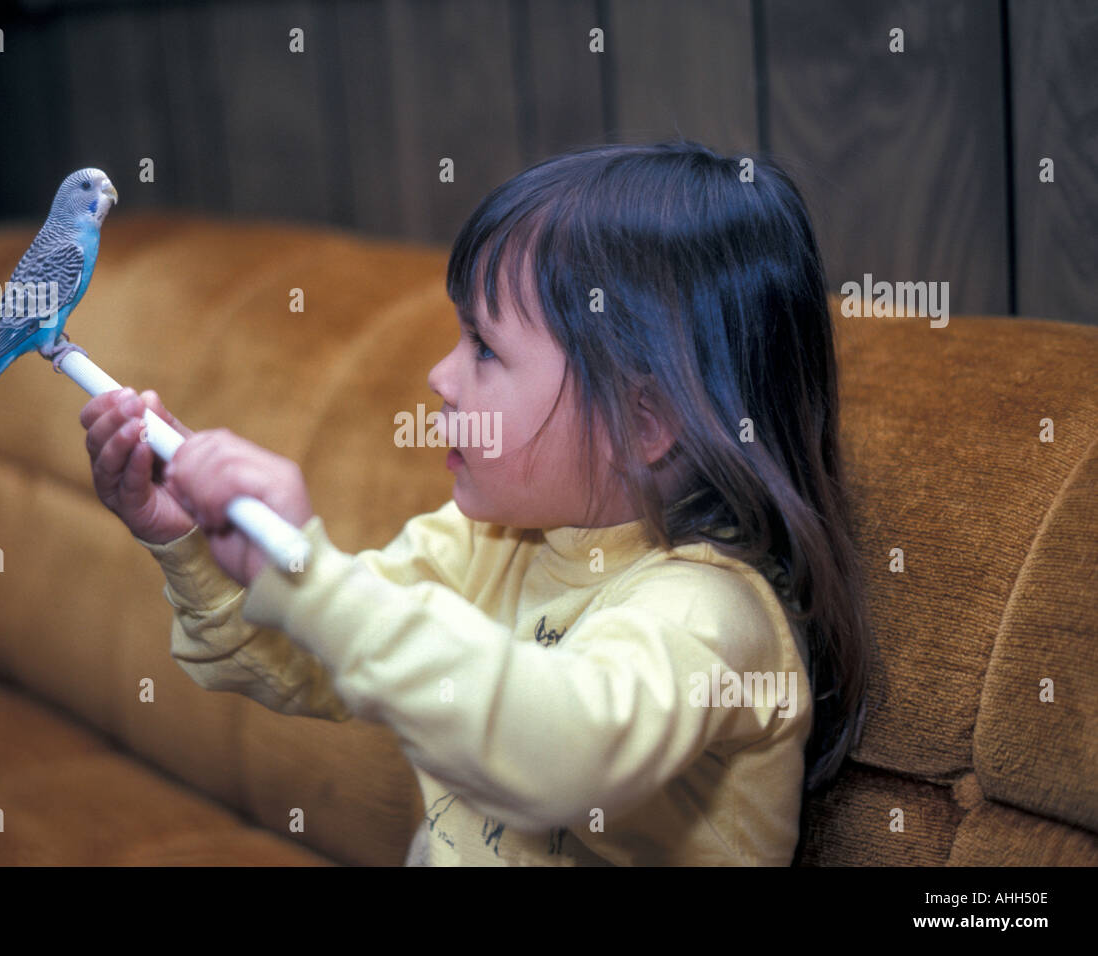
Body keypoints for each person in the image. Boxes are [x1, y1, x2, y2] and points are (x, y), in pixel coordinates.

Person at [80, 140, 871, 865]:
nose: (440, 376)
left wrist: (313, 577)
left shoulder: (713, 618)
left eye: (485, 349)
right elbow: (304, 660)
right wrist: (192, 540)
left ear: (644, 422)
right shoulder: (484, 538)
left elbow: (561, 756)